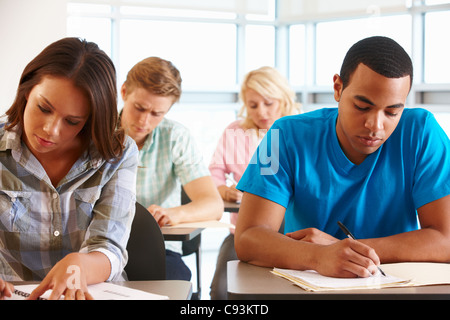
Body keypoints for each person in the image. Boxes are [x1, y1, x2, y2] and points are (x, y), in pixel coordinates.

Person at [235, 36, 450, 279]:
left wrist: (347, 250)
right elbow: (248, 237)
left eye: (392, 112)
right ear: (338, 88)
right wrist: (317, 257)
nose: (375, 126)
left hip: (395, 287)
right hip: (308, 288)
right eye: (362, 106)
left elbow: (447, 239)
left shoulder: (423, 132)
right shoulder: (280, 135)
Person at [0, 37, 138, 300]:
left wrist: (81, 265)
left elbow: (110, 245)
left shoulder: (117, 153)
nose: (50, 130)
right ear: (27, 90)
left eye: (72, 121)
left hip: (95, 292)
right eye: (43, 108)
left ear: (90, 119)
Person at [120, 57, 223, 281]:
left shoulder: (176, 137)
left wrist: (174, 213)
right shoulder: (95, 133)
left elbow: (214, 205)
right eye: (139, 108)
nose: (144, 121)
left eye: (157, 114)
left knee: (174, 283)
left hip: (159, 248)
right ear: (124, 92)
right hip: (100, 246)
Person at [209, 66, 300, 299]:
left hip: (296, 235)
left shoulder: (299, 131)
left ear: (283, 99)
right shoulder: (236, 132)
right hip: (245, 231)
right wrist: (224, 191)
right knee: (220, 290)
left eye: (269, 103)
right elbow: (215, 172)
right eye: (253, 105)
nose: (261, 112)